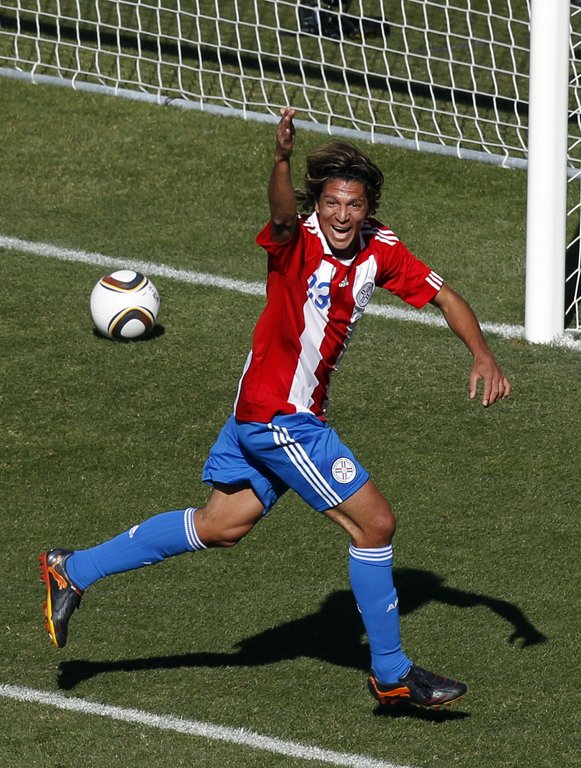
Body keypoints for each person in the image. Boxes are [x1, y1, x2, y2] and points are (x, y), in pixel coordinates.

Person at [39, 107, 511, 710]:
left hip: (260, 411)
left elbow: (446, 296)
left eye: (354, 205)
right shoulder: (296, 242)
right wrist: (282, 159)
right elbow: (283, 216)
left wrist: (482, 355)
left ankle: (72, 569)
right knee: (375, 525)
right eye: (332, 203)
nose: (341, 215)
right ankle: (392, 673)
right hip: (279, 418)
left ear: (369, 207)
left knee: (220, 525)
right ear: (319, 203)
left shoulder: (381, 249)